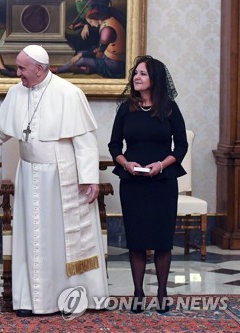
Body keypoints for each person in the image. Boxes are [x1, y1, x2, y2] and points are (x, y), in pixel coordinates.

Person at [0, 45, 109, 316]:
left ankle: (76, 298)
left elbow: (85, 140)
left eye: (21, 68)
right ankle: (33, 300)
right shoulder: (16, 93)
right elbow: (0, 132)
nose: (17, 73)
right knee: (33, 239)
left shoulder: (69, 93)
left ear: (40, 69)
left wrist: (90, 178)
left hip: (63, 176)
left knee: (64, 240)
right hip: (29, 174)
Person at [108, 55, 188, 313]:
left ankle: (163, 292)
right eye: (135, 74)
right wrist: (125, 163)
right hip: (132, 182)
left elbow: (182, 145)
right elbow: (113, 145)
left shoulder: (170, 109)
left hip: (163, 182)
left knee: (163, 239)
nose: (136, 78)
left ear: (155, 79)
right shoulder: (126, 109)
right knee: (137, 239)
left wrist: (162, 165)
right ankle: (139, 292)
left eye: (142, 73)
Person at [55, 6, 126, 78]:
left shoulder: (106, 30)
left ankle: (57, 70)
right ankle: (87, 69)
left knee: (81, 60)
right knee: (80, 53)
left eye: (91, 21)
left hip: (112, 66)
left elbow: (99, 52)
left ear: (96, 17)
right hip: (108, 59)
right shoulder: (109, 20)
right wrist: (83, 25)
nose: (91, 24)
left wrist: (81, 55)